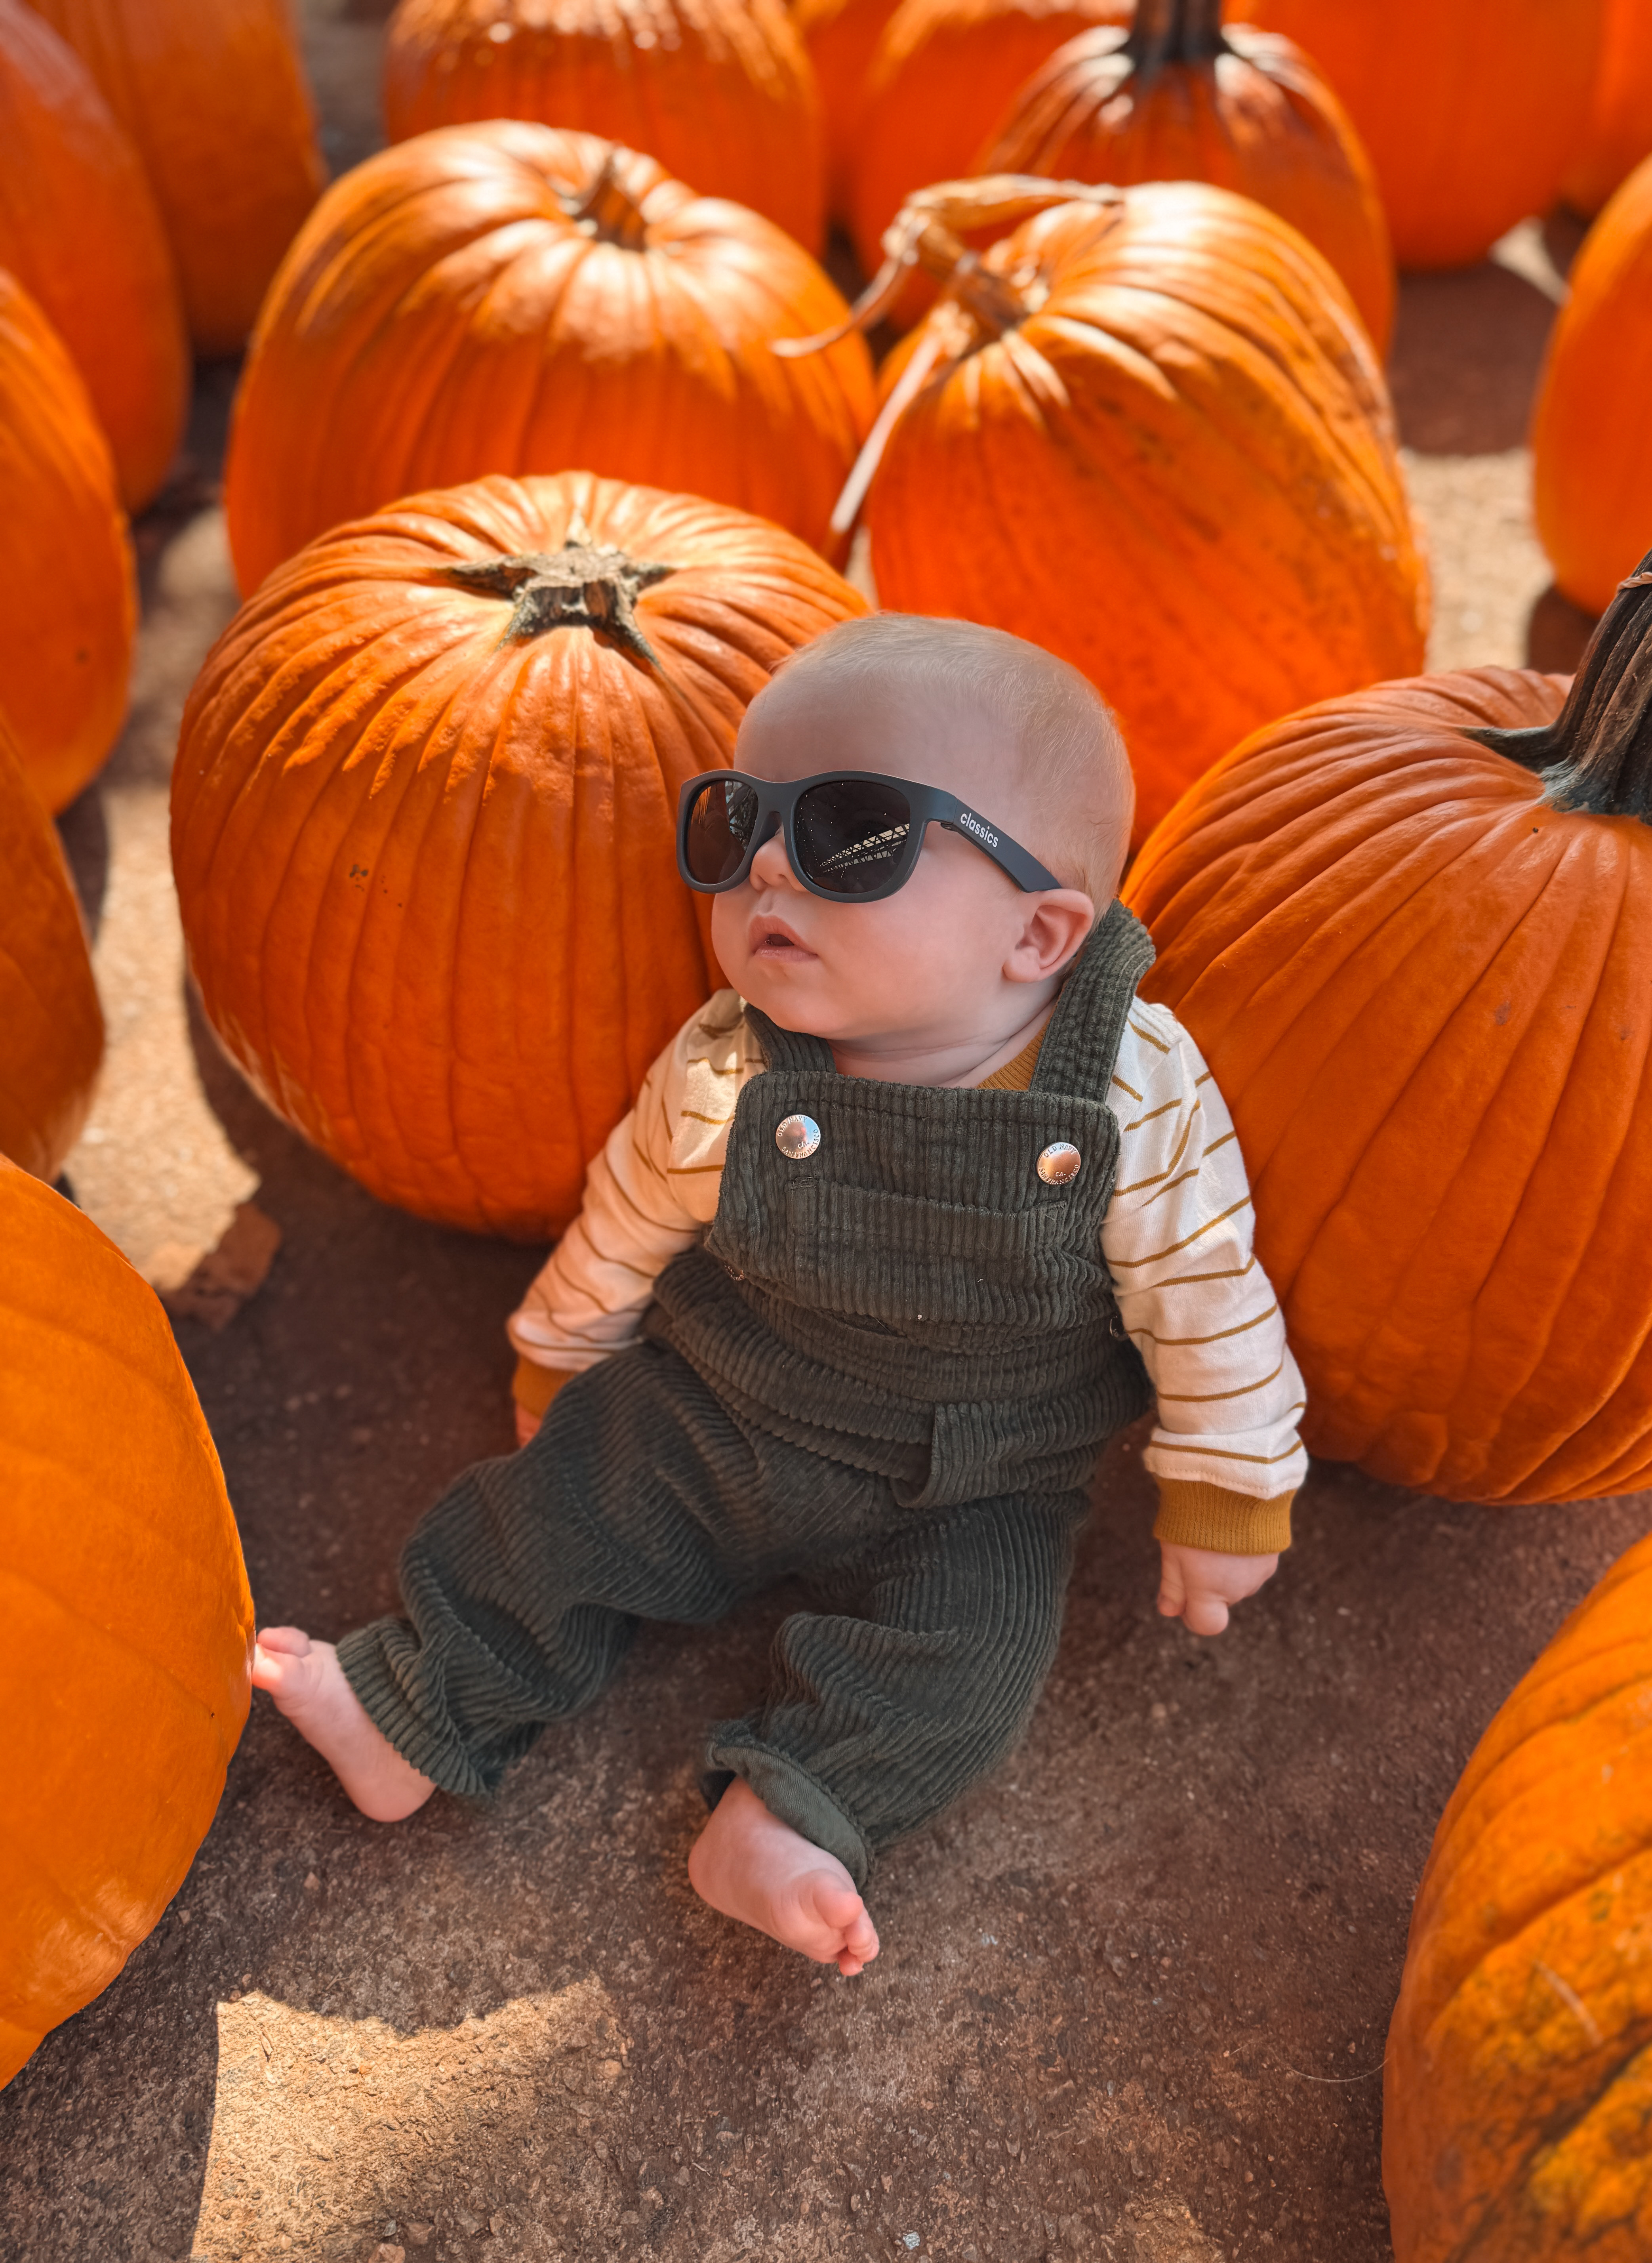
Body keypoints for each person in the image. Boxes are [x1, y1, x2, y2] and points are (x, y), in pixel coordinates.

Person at [253, 614, 1307, 1979]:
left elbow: (1206, 1286)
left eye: (851, 836)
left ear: (1039, 933)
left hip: (982, 1479)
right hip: (728, 1402)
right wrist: (563, 1352)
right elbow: (633, 1206)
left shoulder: (1125, 1088)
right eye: (736, 823)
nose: (762, 867)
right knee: (558, 1509)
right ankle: (412, 1709)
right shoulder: (734, 1062)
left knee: (974, 1660)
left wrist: (1227, 1484)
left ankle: (792, 1817)